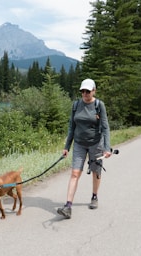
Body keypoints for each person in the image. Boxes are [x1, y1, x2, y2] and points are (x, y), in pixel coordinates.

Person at [57, 78, 111, 219]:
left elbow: (105, 127)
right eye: (83, 91)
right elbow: (71, 127)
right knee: (75, 173)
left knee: (95, 171)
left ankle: (94, 196)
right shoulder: (76, 105)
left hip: (96, 143)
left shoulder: (99, 105)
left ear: (94, 91)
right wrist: (66, 146)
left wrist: (107, 148)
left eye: (88, 91)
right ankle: (68, 206)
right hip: (79, 144)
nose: (85, 94)